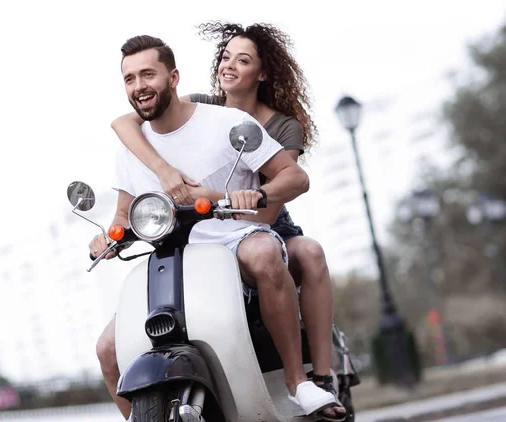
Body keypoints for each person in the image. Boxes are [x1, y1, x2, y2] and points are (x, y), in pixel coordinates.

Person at [90, 34, 339, 420]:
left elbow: (295, 178)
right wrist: (108, 235)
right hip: (172, 259)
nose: (139, 86)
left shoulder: (228, 123)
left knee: (265, 252)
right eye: (129, 79)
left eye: (147, 75)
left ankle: (298, 383)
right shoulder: (132, 146)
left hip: (233, 240)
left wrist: (257, 196)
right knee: (108, 348)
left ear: (173, 78)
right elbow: (123, 213)